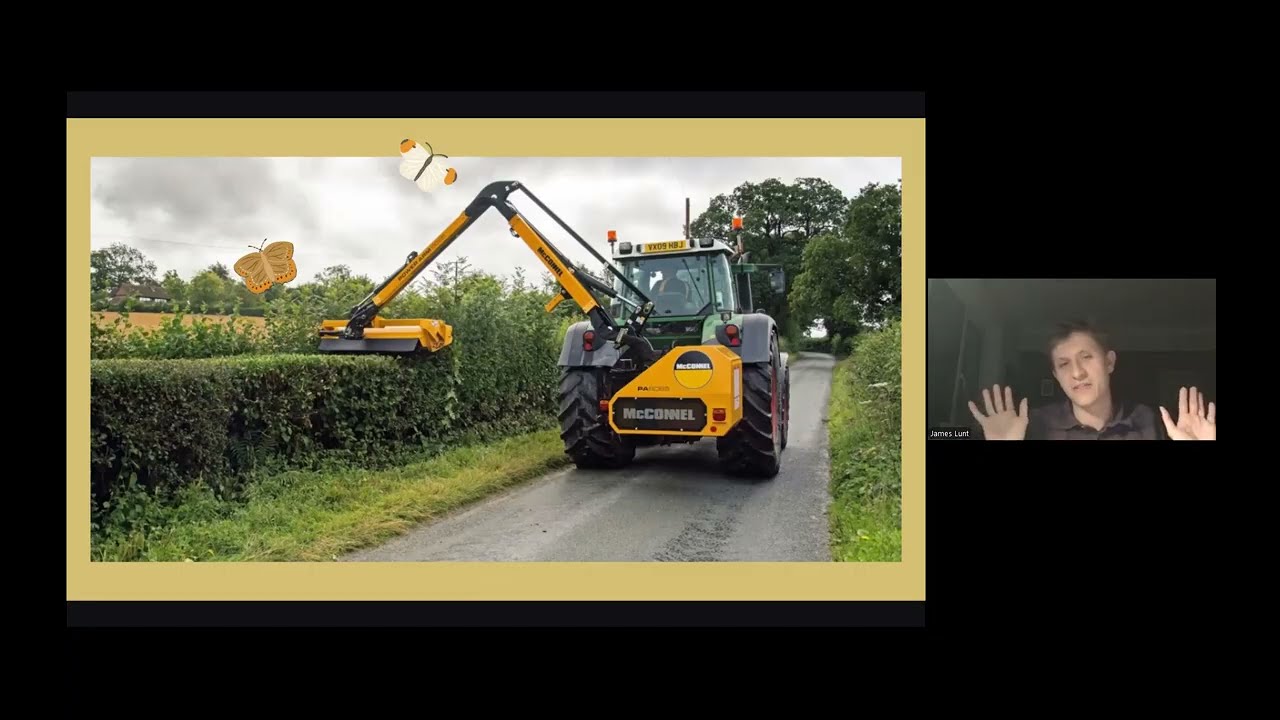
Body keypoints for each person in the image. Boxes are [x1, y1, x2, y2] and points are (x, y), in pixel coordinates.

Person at [967, 320, 1216, 440]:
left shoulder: (1150, 422)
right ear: (1056, 375)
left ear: (1109, 362)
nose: (1077, 373)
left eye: (1086, 357)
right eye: (1064, 364)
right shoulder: (1032, 427)